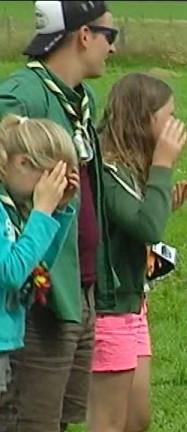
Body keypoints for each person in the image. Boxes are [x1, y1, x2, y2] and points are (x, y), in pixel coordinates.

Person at [0, 1, 119, 430]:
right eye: (111, 36)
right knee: (30, 420)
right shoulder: (21, 95)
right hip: (40, 293)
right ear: (83, 35)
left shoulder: (80, 99)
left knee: (62, 419)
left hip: (80, 285)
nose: (113, 49)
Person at [87, 73, 187, 432]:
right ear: (144, 118)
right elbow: (147, 228)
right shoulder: (110, 169)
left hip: (132, 304)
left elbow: (140, 224)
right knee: (110, 422)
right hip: (110, 308)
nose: (175, 125)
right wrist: (162, 167)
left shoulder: (129, 171)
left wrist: (160, 203)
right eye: (168, 115)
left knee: (136, 419)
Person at [0, 114, 78, 396]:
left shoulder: (13, 209)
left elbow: (36, 268)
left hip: (7, 340)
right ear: (22, 162)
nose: (53, 190)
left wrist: (57, 210)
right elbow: (10, 274)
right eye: (52, 178)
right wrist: (42, 212)